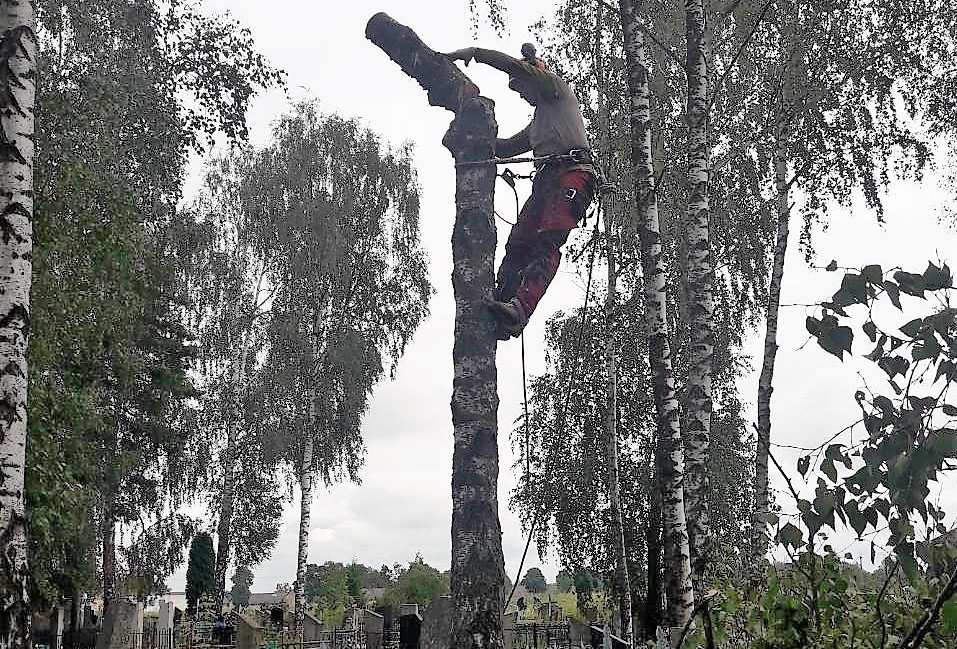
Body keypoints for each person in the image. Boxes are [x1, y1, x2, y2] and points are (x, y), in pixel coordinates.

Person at [446, 43, 597, 340]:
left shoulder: (555, 90)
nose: (521, 94)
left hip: (572, 175)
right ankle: (502, 300)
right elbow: (505, 148)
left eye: (521, 87)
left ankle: (520, 309)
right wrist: (467, 138)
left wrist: (476, 53)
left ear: (533, 77)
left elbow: (512, 66)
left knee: (546, 242)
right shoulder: (540, 123)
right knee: (518, 243)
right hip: (547, 182)